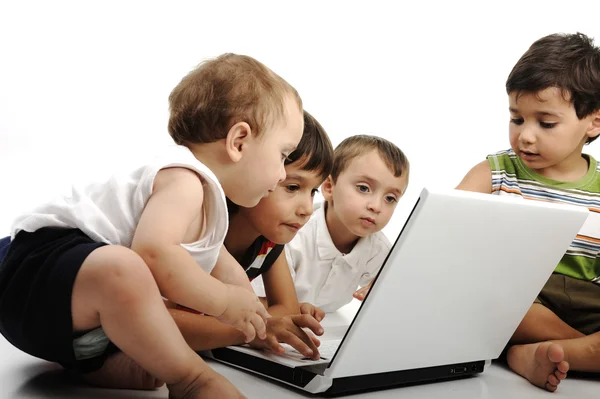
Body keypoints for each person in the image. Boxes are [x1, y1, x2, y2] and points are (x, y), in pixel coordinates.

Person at [0, 53, 304, 398]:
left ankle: (96, 362)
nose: (282, 173)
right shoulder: (185, 179)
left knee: (147, 340)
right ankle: (190, 379)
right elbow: (155, 253)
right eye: (283, 154)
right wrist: (223, 303)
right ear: (239, 142)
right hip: (33, 274)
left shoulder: (210, 210)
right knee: (124, 267)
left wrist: (250, 312)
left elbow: (226, 270)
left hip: (72, 321)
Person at [456, 32, 600, 393]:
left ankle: (525, 355)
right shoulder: (496, 172)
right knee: (491, 300)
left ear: (593, 123)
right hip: (521, 297)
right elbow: (443, 229)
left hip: (587, 298)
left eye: (545, 123)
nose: (525, 136)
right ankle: (582, 349)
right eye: (517, 119)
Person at [170, 110, 334, 360]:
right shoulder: (199, 228)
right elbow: (161, 318)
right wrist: (252, 330)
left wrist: (260, 317)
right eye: (292, 187)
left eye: (313, 192)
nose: (307, 209)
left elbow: (286, 308)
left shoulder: (269, 243)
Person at [289, 134, 410, 313]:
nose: (376, 206)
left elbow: (402, 295)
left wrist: (385, 292)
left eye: (390, 198)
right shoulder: (294, 236)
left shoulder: (377, 249)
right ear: (329, 187)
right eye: (363, 188)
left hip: (329, 332)